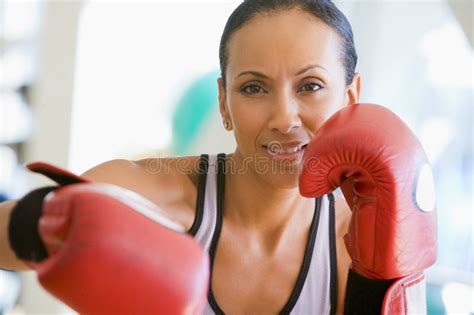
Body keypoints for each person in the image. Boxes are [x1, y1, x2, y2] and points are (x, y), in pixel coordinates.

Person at [0, 1, 436, 314]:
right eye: (253, 87)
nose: (285, 118)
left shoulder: (357, 244)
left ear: (351, 95)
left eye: (310, 86)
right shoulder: (155, 197)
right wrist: (47, 225)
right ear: (224, 104)